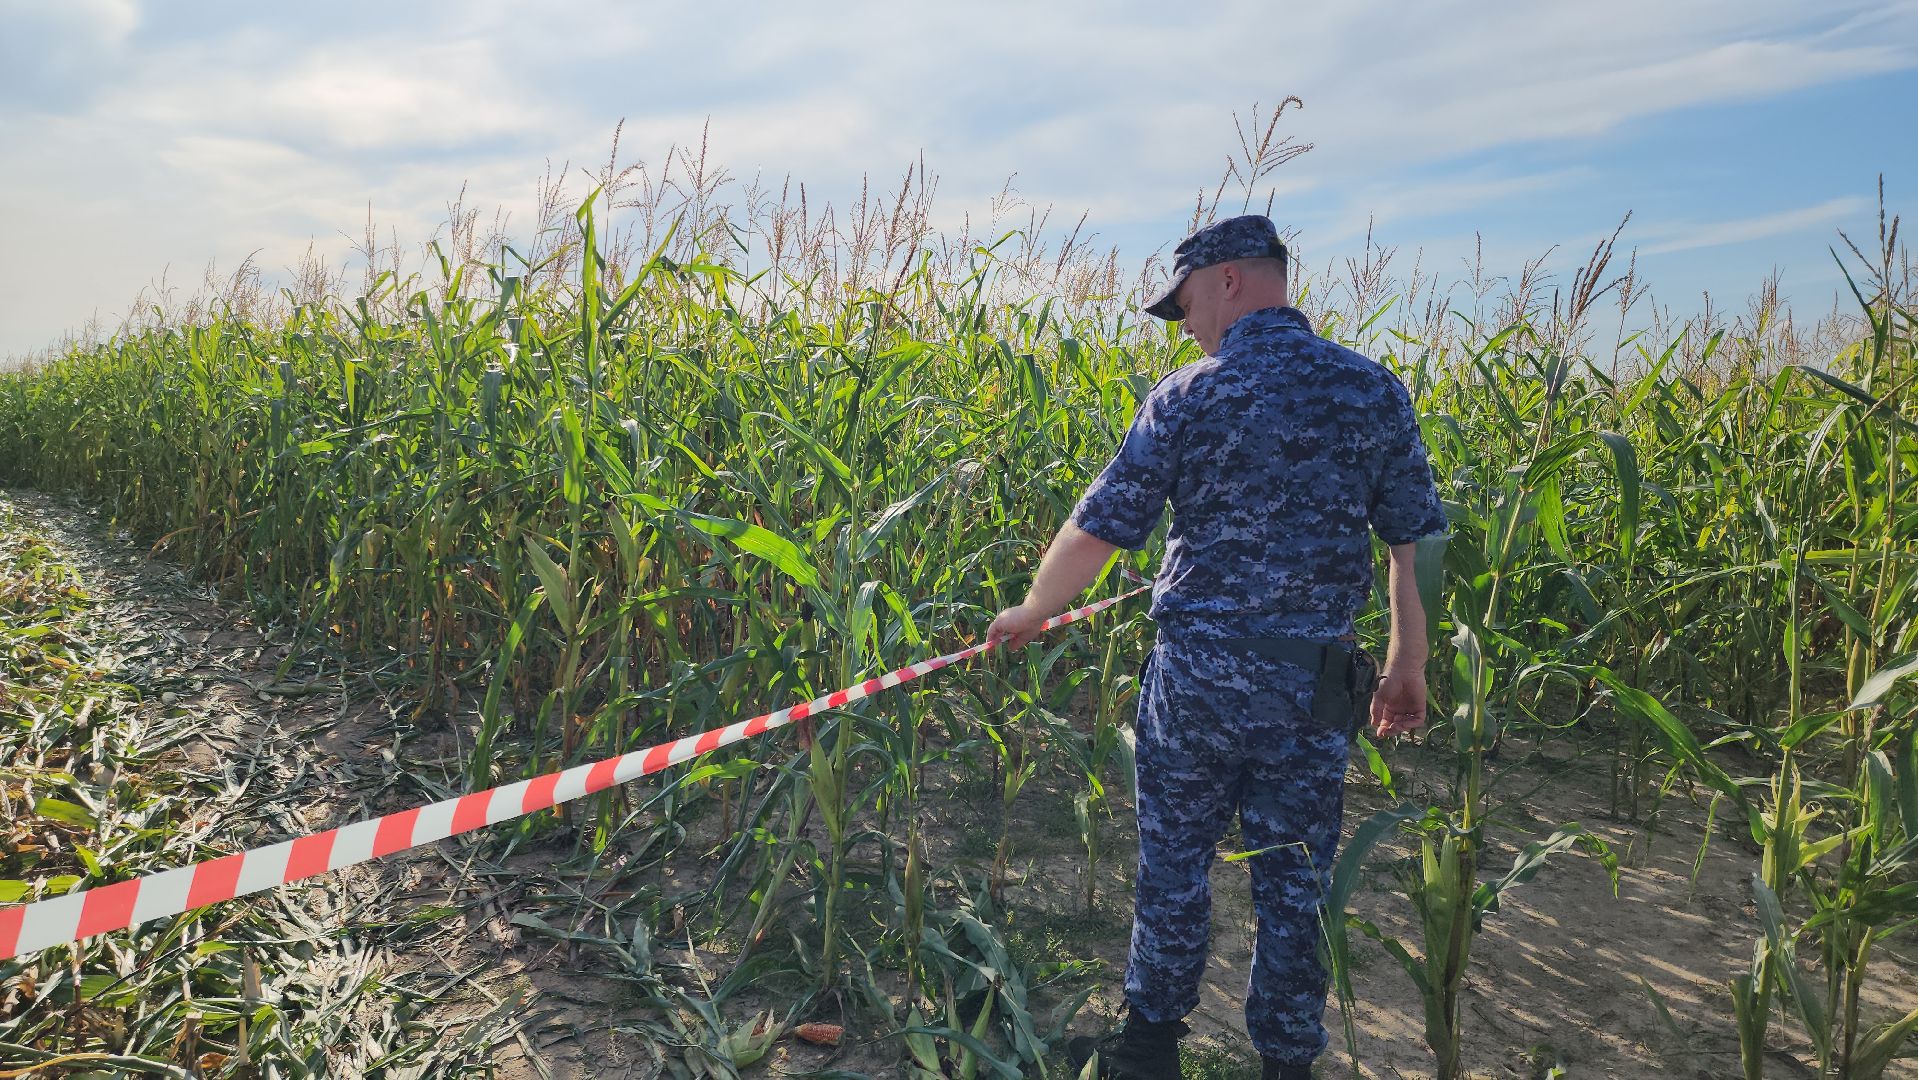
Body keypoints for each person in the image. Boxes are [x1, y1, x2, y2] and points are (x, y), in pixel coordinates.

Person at [986, 214, 1448, 1080]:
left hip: (1195, 680)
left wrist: (1032, 608)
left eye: (1187, 301)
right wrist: (1405, 665)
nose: (1186, 323)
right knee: (1295, 884)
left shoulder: (1191, 394)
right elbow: (1410, 544)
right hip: (1310, 690)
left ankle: (1150, 1051)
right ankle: (1286, 1065)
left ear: (1230, 279)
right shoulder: (1371, 390)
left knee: (1173, 864)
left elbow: (1101, 528)